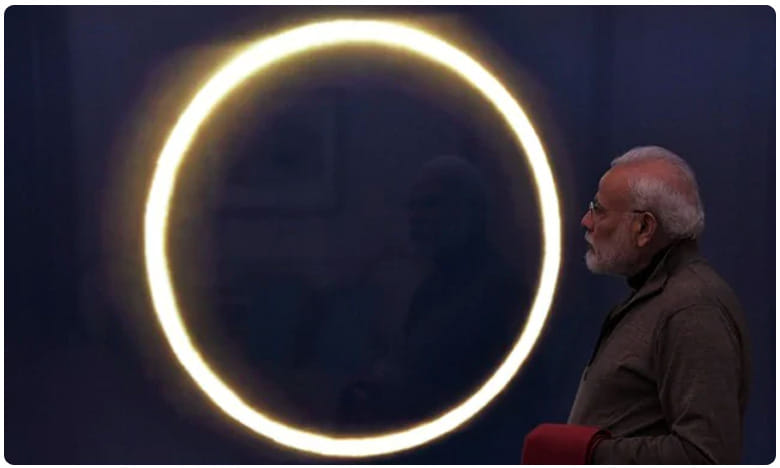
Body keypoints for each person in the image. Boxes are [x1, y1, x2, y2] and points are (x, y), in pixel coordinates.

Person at [553, 146, 750, 464]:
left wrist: (583, 452)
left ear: (644, 228)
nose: (586, 221)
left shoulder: (692, 309)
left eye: (599, 210)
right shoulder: (666, 297)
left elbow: (705, 457)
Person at [339, 156, 530, 429]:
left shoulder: (499, 291)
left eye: (431, 204)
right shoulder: (434, 286)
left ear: (471, 212)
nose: (416, 217)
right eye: (413, 207)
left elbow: (460, 389)